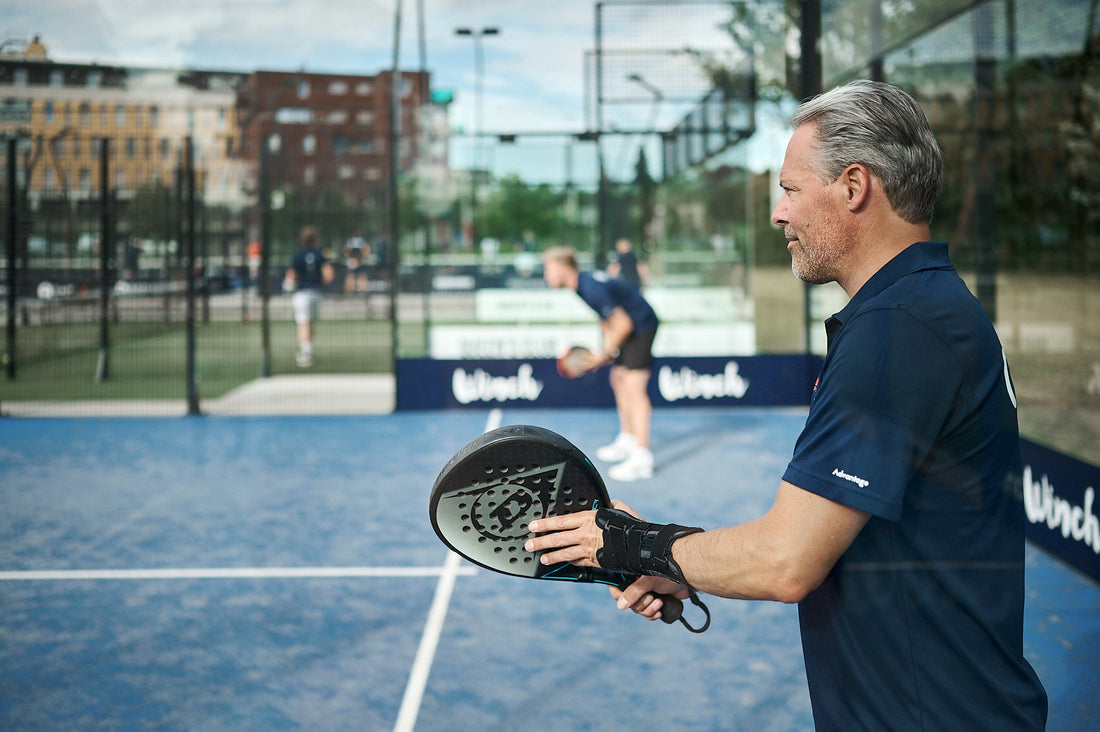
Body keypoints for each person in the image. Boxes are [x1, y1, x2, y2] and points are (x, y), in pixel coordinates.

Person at [527, 80, 1048, 729]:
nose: (778, 212)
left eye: (791, 189)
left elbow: (786, 560)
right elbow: (817, 537)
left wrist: (631, 544)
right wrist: (669, 556)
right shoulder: (925, 309)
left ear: (853, 187)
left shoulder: (898, 332)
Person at [542, 245, 660, 482]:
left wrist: (604, 354)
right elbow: (607, 319)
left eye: (549, 269)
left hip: (641, 327)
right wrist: (605, 350)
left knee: (634, 387)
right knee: (618, 379)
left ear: (565, 268)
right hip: (629, 329)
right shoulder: (582, 286)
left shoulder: (589, 286)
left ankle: (642, 458)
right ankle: (628, 439)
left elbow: (623, 323)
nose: (546, 275)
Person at [283, 226, 334, 367]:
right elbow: (328, 275)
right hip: (316, 293)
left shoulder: (297, 255)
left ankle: (305, 352)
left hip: (301, 294)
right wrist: (319, 283)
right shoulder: (319, 255)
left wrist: (288, 286)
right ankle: (308, 349)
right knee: (310, 322)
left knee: (303, 323)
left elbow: (290, 276)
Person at [343, 229, 370, 295]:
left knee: (361, 277)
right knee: (350, 276)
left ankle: (362, 292)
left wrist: (362, 258)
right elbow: (346, 249)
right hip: (353, 260)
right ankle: (348, 292)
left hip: (359, 260)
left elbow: (366, 249)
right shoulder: (351, 241)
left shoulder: (361, 241)